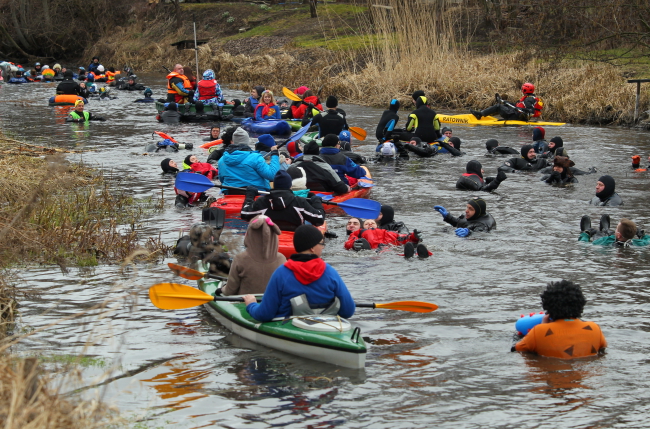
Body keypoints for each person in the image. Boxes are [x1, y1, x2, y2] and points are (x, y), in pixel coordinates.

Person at [242, 224, 356, 322]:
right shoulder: (330, 272)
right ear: (312, 247)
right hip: (327, 327)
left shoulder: (281, 273)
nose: (323, 247)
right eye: (321, 243)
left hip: (288, 329)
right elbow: (348, 311)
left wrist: (251, 305)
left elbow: (264, 315)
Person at [512, 280, 607, 358]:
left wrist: (538, 329)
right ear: (581, 304)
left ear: (547, 306)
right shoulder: (594, 328)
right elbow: (602, 350)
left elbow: (515, 349)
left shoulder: (539, 331)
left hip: (551, 374)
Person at [218, 215, 286, 296]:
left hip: (244, 304)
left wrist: (222, 289)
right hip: (272, 305)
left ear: (249, 234)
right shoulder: (282, 259)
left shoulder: (240, 259)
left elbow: (230, 291)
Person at [241, 170, 325, 231]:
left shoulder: (261, 202)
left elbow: (244, 214)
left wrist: (250, 196)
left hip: (270, 241)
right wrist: (316, 202)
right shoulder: (300, 202)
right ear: (290, 186)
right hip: (294, 242)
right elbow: (319, 219)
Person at [217, 128, 280, 194]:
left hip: (231, 194)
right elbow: (273, 175)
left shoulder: (222, 160)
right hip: (256, 195)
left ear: (233, 141)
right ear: (247, 141)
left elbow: (222, 179)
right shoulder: (256, 157)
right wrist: (275, 154)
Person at [344, 219, 428, 258]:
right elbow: (349, 241)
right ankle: (409, 255)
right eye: (367, 224)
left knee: (395, 251)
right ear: (363, 227)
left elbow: (403, 238)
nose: (370, 224)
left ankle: (415, 253)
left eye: (372, 223)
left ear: (377, 226)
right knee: (388, 253)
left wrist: (414, 236)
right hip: (373, 250)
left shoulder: (387, 232)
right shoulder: (359, 232)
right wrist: (353, 244)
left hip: (389, 249)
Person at [470, 83, 544, 121]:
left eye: (522, 89)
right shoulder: (528, 98)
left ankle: (480, 114)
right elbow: (516, 105)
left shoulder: (529, 100)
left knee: (498, 106)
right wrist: (505, 102)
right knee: (503, 106)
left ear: (525, 90)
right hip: (516, 114)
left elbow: (531, 111)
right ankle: (484, 113)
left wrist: (521, 111)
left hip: (517, 116)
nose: (521, 90)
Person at [579, 215, 649, 247]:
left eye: (616, 228)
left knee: (598, 235)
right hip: (619, 239)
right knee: (610, 234)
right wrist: (642, 235)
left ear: (618, 235)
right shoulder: (639, 243)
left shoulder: (605, 241)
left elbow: (585, 245)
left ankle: (588, 230)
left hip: (606, 242)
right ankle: (605, 229)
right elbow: (648, 241)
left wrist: (585, 235)